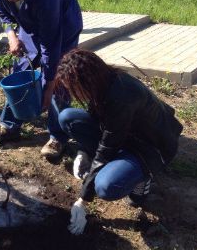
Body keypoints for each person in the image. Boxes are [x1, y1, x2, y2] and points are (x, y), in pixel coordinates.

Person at [54, 49, 183, 235]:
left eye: (74, 89)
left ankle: (142, 178)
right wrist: (84, 151)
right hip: (124, 135)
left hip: (150, 147)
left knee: (106, 186)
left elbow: (108, 145)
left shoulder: (121, 97)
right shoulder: (102, 84)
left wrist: (83, 199)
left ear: (87, 81)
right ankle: (122, 165)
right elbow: (99, 123)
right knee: (68, 117)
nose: (73, 95)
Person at [0, 0, 83, 159]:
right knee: (21, 69)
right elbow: (3, 13)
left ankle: (57, 137)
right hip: (28, 22)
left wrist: (48, 86)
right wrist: (12, 36)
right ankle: (10, 125)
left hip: (62, 25)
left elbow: (50, 44)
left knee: (60, 78)